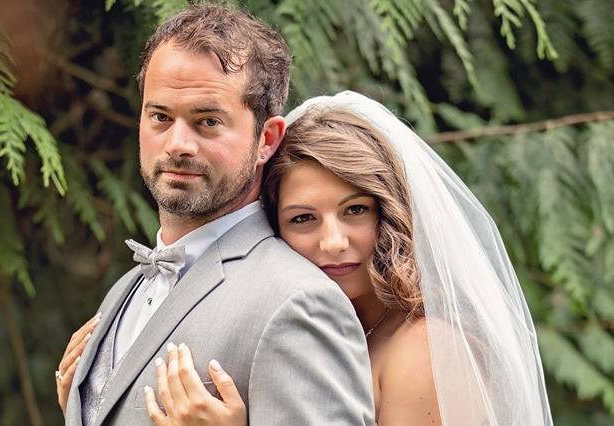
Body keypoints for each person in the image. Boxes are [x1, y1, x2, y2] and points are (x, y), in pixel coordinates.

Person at [141, 91, 554, 425]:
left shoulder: (422, 352)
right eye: (303, 219)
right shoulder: (311, 332)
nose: (334, 242)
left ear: (387, 212)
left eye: (355, 210)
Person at [55, 7, 375, 426]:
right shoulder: (125, 291)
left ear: (267, 139)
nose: (178, 144)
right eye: (160, 117)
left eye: (207, 121)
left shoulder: (299, 302)